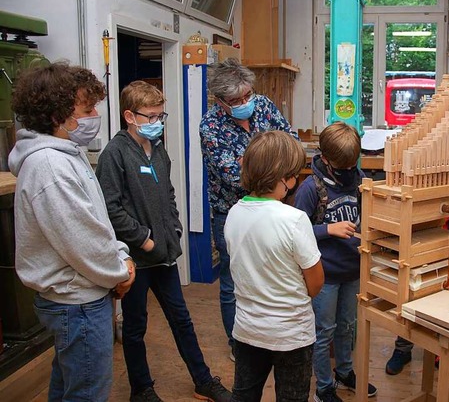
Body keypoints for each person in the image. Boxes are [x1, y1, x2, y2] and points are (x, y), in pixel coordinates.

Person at [96, 81, 231, 402]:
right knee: (135, 327)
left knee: (182, 320)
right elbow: (109, 208)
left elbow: (167, 193)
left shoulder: (157, 149)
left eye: (161, 115)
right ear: (130, 116)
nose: (158, 122)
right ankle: (141, 389)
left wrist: (174, 229)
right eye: (151, 116)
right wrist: (144, 241)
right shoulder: (114, 154)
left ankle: (202, 380)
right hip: (135, 260)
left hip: (164, 254)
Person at [8, 62, 135, 401]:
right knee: (87, 394)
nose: (95, 115)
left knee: (68, 387)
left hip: (79, 297)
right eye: (87, 109)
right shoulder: (50, 166)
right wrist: (118, 272)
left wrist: (119, 255)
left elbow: (95, 222)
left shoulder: (67, 155)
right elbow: (81, 240)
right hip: (76, 303)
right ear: (57, 115)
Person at [200, 58, 299, 360]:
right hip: (231, 213)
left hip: (273, 208)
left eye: (247, 95)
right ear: (220, 101)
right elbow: (233, 177)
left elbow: (291, 143)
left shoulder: (265, 106)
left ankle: (267, 332)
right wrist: (271, 162)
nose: (245, 103)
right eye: (235, 100)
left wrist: (252, 162)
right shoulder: (210, 127)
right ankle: (237, 344)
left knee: (272, 271)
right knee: (233, 281)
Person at [224, 130, 324, 401]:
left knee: (244, 395)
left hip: (247, 330)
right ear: (284, 178)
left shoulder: (233, 213)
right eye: (294, 173)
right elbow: (315, 284)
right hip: (291, 334)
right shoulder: (294, 219)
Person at [293, 122, 376, 401]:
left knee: (347, 326)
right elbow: (296, 232)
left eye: (352, 164)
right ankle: (324, 386)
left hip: (353, 270)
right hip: (325, 275)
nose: (348, 171)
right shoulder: (310, 188)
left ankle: (344, 371)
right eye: (343, 165)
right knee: (324, 330)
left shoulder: (358, 177)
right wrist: (328, 229)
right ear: (325, 158)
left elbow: (365, 217)